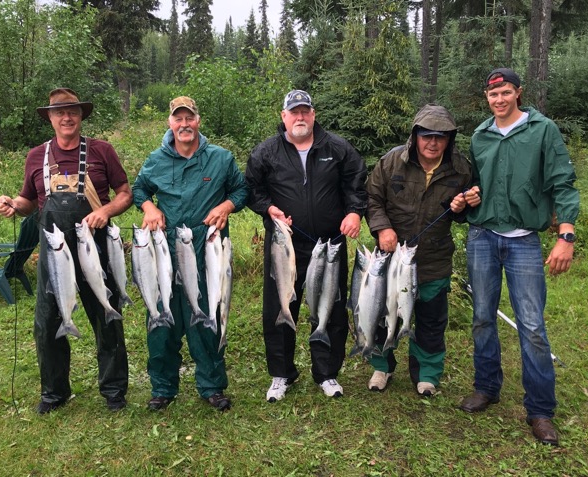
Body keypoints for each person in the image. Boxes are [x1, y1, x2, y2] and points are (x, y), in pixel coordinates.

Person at [459, 68, 579, 446]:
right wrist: (470, 196)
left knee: (531, 325)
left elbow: (563, 182)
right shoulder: (480, 135)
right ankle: (486, 386)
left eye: (506, 93)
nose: (499, 100)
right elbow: (472, 183)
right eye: (493, 95)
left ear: (518, 93)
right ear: (487, 97)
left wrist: (566, 235)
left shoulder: (542, 131)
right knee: (482, 317)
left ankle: (541, 410)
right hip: (482, 236)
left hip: (524, 239)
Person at [0, 88, 133, 414]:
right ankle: (55, 393)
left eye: (72, 111)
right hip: (54, 254)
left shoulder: (102, 151)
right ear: (51, 118)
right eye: (60, 112)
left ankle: (113, 391)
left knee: (106, 316)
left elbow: (125, 193)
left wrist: (106, 211)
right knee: (46, 322)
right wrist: (14, 205)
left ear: (81, 116)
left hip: (95, 248)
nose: (67, 117)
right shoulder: (35, 156)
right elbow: (29, 203)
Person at [246, 90, 367, 402]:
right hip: (284, 246)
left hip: (329, 245)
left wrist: (354, 212)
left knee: (331, 307)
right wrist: (268, 208)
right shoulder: (266, 152)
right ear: (284, 116)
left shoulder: (337, 148)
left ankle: (326, 373)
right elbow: (251, 188)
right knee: (279, 308)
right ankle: (281, 374)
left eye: (305, 111)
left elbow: (357, 182)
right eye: (294, 112)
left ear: (313, 115)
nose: (300, 117)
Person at [132, 96, 248, 412]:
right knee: (161, 321)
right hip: (164, 252)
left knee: (206, 318)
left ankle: (212, 386)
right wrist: (149, 206)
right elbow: (138, 190)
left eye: (190, 118)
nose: (184, 124)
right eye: (178, 118)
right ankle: (163, 388)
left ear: (198, 121)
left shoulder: (221, 158)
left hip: (206, 249)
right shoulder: (155, 160)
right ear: (170, 123)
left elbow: (242, 190)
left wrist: (226, 206)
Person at [365, 104, 477, 397]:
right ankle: (381, 365)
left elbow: (467, 214)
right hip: (390, 260)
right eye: (427, 135)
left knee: (431, 321)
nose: (433, 142)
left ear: (449, 139)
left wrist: (462, 208)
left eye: (441, 137)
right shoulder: (391, 163)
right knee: (380, 314)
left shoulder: (461, 169)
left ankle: (426, 373)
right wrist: (382, 228)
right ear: (414, 136)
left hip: (434, 260)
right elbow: (372, 198)